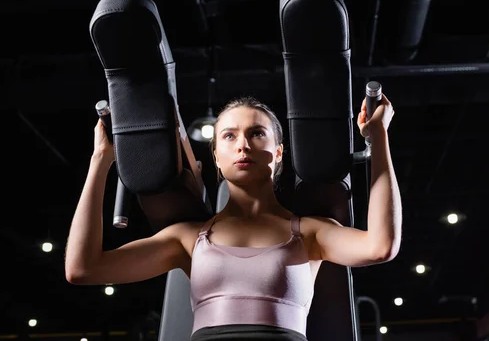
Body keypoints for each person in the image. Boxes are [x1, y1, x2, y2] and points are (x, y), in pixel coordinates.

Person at [65, 94, 402, 341]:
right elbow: (83, 269)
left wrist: (380, 139)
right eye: (229, 136)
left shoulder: (311, 233)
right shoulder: (187, 238)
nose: (243, 145)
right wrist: (100, 161)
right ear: (216, 158)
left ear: (279, 152)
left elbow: (380, 246)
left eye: (256, 134)